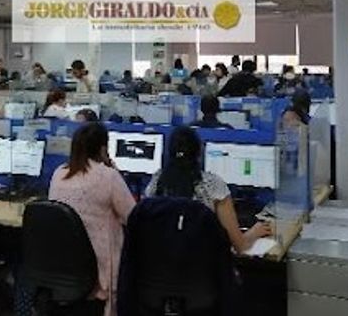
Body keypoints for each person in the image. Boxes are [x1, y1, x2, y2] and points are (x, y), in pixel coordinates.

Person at [49, 123, 135, 316]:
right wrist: (112, 168)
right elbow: (133, 217)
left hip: (63, 267)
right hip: (97, 273)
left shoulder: (59, 173)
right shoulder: (108, 176)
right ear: (103, 149)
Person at [145, 126, 271, 254]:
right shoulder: (214, 186)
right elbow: (240, 246)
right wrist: (255, 231)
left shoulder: (156, 183)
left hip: (159, 264)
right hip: (202, 265)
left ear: (169, 153)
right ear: (199, 153)